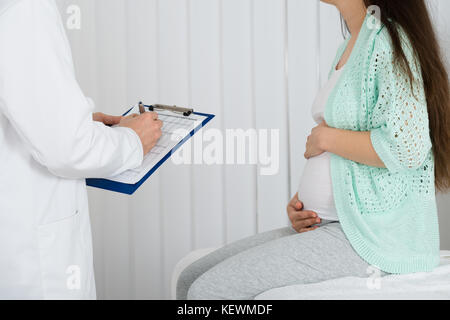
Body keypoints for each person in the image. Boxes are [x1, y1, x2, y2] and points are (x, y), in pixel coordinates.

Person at [177, 0, 450, 300]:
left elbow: (407, 147)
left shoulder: (390, 42)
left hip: (372, 237)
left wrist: (324, 138)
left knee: (207, 291)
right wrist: (307, 204)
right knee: (191, 278)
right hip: (330, 223)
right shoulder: (353, 44)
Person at [0, 0, 162, 299]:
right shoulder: (27, 9)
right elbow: (69, 150)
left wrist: (75, 124)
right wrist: (133, 141)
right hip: (28, 262)